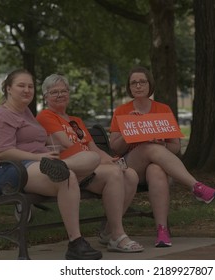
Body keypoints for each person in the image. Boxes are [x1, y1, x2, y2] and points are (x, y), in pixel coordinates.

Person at [0, 69, 103, 260]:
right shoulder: (2, 115)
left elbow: (38, 141)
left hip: (38, 163)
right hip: (8, 169)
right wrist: (41, 158)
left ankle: (61, 167)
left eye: (30, 86)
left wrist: (49, 149)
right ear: (8, 89)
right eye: (21, 85)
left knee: (91, 158)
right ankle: (76, 242)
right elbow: (2, 152)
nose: (27, 90)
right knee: (68, 176)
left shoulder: (27, 113)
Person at [109, 66, 215, 248]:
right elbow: (115, 147)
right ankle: (195, 186)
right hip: (129, 166)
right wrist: (132, 128)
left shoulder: (162, 109)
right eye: (133, 83)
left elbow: (175, 147)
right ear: (129, 87)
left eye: (142, 82)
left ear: (149, 84)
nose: (138, 86)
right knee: (148, 147)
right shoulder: (122, 111)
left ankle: (162, 231)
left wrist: (162, 145)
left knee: (157, 170)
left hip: (152, 166)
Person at [36, 74, 144, 253]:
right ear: (45, 96)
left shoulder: (76, 121)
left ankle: (109, 230)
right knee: (114, 174)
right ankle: (118, 235)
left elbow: (93, 147)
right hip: (70, 170)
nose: (60, 94)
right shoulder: (46, 116)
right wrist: (104, 163)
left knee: (130, 174)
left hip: (92, 168)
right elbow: (68, 145)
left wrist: (109, 159)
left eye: (64, 91)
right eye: (54, 92)